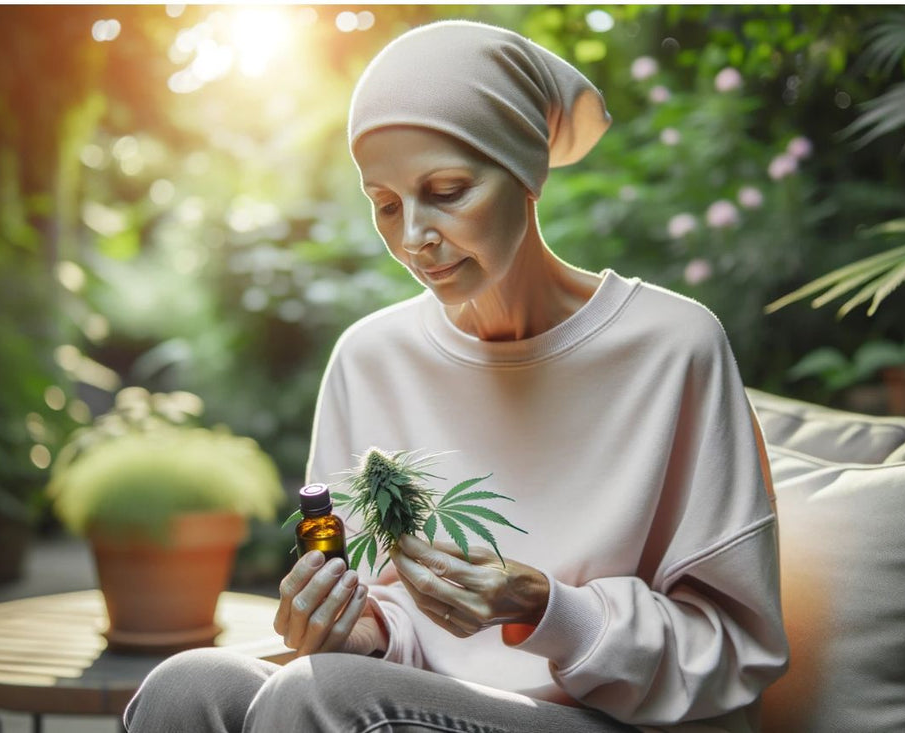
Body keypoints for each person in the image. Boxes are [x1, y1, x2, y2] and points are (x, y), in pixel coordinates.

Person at [125, 19, 788, 732]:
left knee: (311, 697)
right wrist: (360, 629)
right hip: (419, 708)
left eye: (446, 190)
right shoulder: (370, 357)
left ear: (527, 171)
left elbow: (735, 648)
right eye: (385, 204)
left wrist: (545, 608)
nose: (413, 237)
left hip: (614, 720)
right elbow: (390, 622)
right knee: (184, 685)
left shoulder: (673, 346)